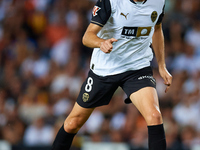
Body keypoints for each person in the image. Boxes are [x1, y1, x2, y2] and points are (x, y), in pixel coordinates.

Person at [51, 0, 172, 149]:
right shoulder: (111, 2)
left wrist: (162, 66)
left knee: (154, 116)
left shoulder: (158, 2)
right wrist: (101, 42)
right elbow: (87, 37)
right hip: (105, 69)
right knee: (72, 124)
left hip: (137, 67)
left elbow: (157, 29)